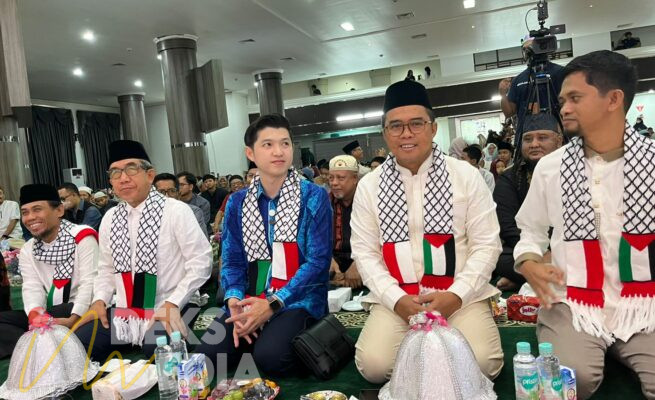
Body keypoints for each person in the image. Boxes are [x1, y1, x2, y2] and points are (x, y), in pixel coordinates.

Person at [514, 50, 655, 399]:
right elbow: (530, 230)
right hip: (572, 303)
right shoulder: (551, 167)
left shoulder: (652, 163)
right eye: (563, 100)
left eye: (575, 98)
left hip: (645, 304)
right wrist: (528, 262)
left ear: (614, 100)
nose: (564, 109)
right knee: (568, 378)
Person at [351, 80, 503, 383]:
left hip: (459, 295)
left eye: (416, 123)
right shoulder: (369, 185)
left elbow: (487, 245)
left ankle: (426, 359)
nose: (406, 133)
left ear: (433, 128)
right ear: (385, 133)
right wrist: (396, 299)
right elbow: (365, 253)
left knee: (484, 363)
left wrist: (456, 295)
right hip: (397, 297)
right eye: (396, 126)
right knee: (374, 366)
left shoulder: (465, 175)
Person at [195, 114, 332, 377]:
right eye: (268, 144)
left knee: (270, 359)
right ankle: (259, 333)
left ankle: (271, 337)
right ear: (251, 153)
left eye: (285, 143)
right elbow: (232, 260)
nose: (279, 151)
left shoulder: (313, 196)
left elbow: (318, 262)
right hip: (249, 297)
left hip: (296, 299)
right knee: (208, 357)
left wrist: (272, 304)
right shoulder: (237, 202)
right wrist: (234, 299)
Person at [75, 140, 211, 362]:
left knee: (158, 351)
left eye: (131, 169)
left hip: (174, 302)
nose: (123, 178)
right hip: (126, 310)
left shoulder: (176, 211)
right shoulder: (111, 217)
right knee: (79, 344)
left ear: (150, 175)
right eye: (115, 172)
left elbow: (201, 261)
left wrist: (173, 303)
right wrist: (99, 300)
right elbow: (106, 268)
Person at [0, 184, 98, 358]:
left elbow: (89, 283)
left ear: (59, 210)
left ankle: (34, 342)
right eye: (25, 212)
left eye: (37, 210)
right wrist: (35, 315)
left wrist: (74, 319)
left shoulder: (82, 236)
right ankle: (40, 339)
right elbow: (32, 287)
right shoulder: (29, 248)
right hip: (52, 312)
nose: (30, 218)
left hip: (82, 309)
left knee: (81, 338)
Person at [492, 113, 562, 291]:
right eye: (528, 139)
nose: (534, 144)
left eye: (542, 137)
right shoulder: (509, 177)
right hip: (526, 247)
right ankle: (534, 276)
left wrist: (555, 251)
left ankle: (525, 280)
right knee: (499, 257)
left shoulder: (575, 172)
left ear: (559, 141)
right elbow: (507, 226)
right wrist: (535, 255)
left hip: (567, 248)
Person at [499, 38, 565, 136]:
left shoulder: (560, 72)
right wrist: (503, 94)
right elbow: (509, 113)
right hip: (527, 133)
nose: (529, 52)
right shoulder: (518, 80)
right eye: (525, 49)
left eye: (532, 47)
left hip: (558, 132)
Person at [328, 155, 362, 289]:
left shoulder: (370, 201)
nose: (334, 183)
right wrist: (327, 259)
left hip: (364, 262)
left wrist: (360, 263)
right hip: (332, 265)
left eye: (341, 178)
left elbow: (381, 240)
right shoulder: (323, 203)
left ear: (355, 178)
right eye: (331, 178)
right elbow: (313, 238)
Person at [154, 173, 208, 237]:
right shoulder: (150, 213)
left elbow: (199, 239)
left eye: (172, 191)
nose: (166, 196)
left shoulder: (193, 211)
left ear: (178, 193)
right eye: (161, 192)